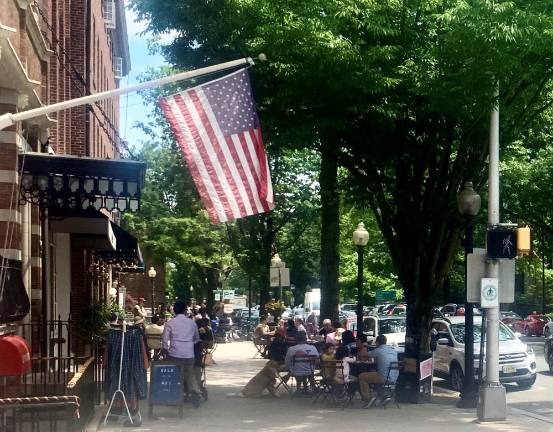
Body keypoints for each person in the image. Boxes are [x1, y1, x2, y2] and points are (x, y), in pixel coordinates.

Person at [162, 301, 202, 408]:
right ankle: (195, 391)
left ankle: (175, 396)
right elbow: (196, 339)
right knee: (190, 374)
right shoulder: (192, 323)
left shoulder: (170, 323)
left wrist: (165, 350)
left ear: (174, 310)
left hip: (175, 353)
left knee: (175, 376)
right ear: (185, 310)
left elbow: (165, 340)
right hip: (189, 353)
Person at [358, 334, 399, 408]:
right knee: (375, 376)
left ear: (377, 343)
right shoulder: (393, 350)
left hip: (383, 377)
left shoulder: (378, 350)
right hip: (394, 377)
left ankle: (368, 398)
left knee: (362, 376)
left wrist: (364, 346)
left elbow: (362, 354)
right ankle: (383, 396)